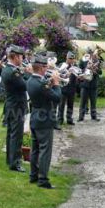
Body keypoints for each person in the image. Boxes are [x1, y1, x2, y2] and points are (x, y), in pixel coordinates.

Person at [27, 54, 61, 189]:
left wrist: (50, 85)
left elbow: (45, 93)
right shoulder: (41, 84)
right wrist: (57, 84)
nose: (47, 69)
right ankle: (43, 179)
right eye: (46, 66)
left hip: (35, 116)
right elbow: (57, 98)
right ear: (41, 68)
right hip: (44, 118)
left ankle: (33, 175)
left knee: (35, 149)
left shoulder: (30, 80)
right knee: (45, 150)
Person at [2, 44, 27, 173]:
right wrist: (28, 74)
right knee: (16, 135)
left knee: (11, 133)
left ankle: (10, 159)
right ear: (15, 57)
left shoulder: (8, 69)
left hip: (11, 105)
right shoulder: (13, 72)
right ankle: (15, 163)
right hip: (16, 106)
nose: (22, 58)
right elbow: (24, 86)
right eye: (21, 56)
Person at [78, 49, 102, 122]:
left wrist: (96, 69)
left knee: (93, 102)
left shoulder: (97, 61)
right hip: (85, 84)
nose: (90, 55)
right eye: (88, 53)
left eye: (91, 54)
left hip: (93, 85)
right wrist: (87, 68)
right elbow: (79, 70)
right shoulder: (83, 61)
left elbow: (100, 72)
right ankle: (81, 117)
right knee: (82, 102)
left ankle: (94, 116)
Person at [58, 51, 78, 125]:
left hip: (72, 88)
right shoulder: (62, 65)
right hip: (63, 88)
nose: (72, 60)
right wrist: (67, 74)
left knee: (70, 105)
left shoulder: (75, 66)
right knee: (61, 105)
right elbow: (59, 75)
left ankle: (69, 119)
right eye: (70, 58)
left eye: (73, 59)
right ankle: (60, 119)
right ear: (67, 58)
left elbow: (77, 75)